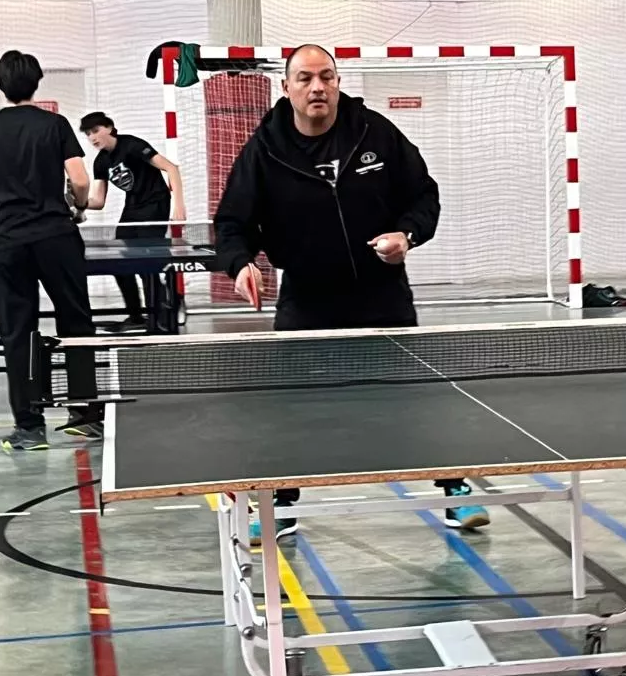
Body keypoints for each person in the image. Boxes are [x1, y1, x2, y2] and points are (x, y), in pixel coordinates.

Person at [213, 44, 486, 541]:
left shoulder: (374, 132)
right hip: (307, 295)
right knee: (292, 407)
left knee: (415, 398)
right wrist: (239, 264)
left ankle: (454, 491)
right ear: (287, 87)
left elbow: (423, 193)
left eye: (326, 77)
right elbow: (232, 220)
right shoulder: (265, 149)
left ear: (337, 82)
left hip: (381, 290)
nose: (317, 87)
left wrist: (408, 234)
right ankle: (280, 503)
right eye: (305, 78)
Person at [0, 51, 104, 451]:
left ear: (0, 85)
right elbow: (79, 179)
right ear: (37, 82)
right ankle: (86, 416)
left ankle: (29, 427)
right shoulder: (55, 125)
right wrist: (75, 208)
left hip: (8, 242)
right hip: (57, 236)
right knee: (76, 321)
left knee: (17, 330)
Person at [79, 112, 188, 332]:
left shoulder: (133, 146)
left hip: (155, 203)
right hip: (133, 208)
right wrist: (76, 204)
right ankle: (137, 316)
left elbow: (171, 168)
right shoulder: (101, 162)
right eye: (88, 134)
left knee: (147, 263)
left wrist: (179, 205)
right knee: (119, 262)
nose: (92, 137)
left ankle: (159, 314)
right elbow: (98, 201)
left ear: (109, 128)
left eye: (96, 130)